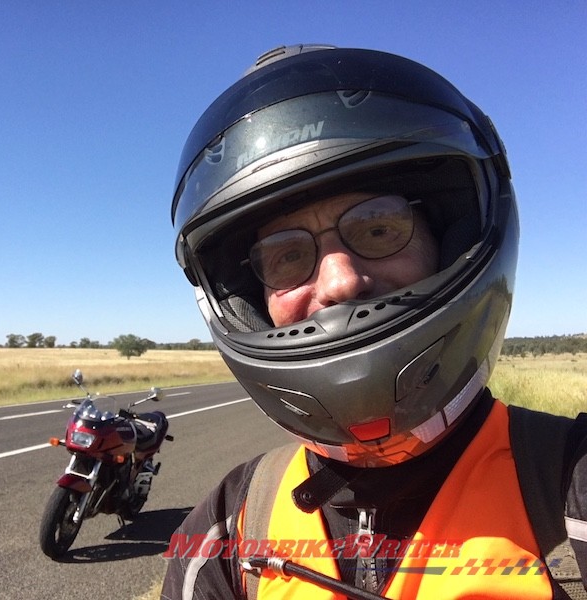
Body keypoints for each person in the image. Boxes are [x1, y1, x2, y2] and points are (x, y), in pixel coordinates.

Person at [162, 45, 586, 599]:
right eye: (287, 256)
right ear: (249, 299)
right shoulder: (228, 528)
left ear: (449, 238)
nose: (340, 283)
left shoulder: (567, 483)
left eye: (379, 228)